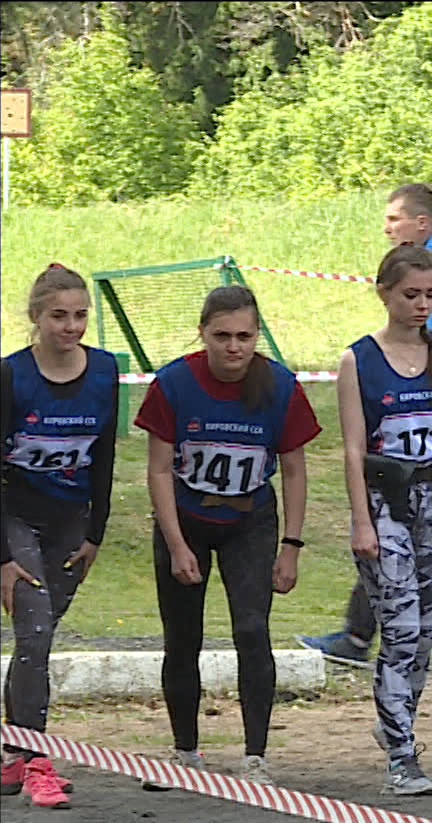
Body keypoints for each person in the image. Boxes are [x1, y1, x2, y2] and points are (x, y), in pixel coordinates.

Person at [302, 182, 432, 671]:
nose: (386, 226)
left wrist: (415, 390)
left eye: (395, 217)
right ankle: (361, 632)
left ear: (422, 225)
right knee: (400, 517)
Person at [136, 286, 319, 788]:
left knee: (251, 631)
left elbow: (295, 470)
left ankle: (255, 756)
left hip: (251, 522)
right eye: (222, 336)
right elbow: (157, 471)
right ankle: (185, 752)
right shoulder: (174, 383)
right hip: (187, 518)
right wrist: (175, 544)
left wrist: (292, 547)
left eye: (244, 336)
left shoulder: (278, 385)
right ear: (203, 334)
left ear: (257, 335)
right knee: (182, 638)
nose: (234, 347)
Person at [338, 244, 432, 796]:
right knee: (398, 626)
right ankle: (402, 753)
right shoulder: (360, 360)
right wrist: (361, 522)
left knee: (423, 631)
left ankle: (396, 718)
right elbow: (353, 449)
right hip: (386, 502)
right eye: (410, 295)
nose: (421, 306)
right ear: (384, 293)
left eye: (430, 296)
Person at [1, 265, 118, 809]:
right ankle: (38, 760)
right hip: (15, 516)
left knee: (37, 637)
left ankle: (14, 752)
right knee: (36, 630)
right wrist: (2, 557)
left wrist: (96, 531)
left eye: (79, 316)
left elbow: (105, 457)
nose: (71, 327)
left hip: (71, 520)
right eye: (59, 316)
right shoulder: (10, 376)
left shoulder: (104, 371)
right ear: (36, 318)